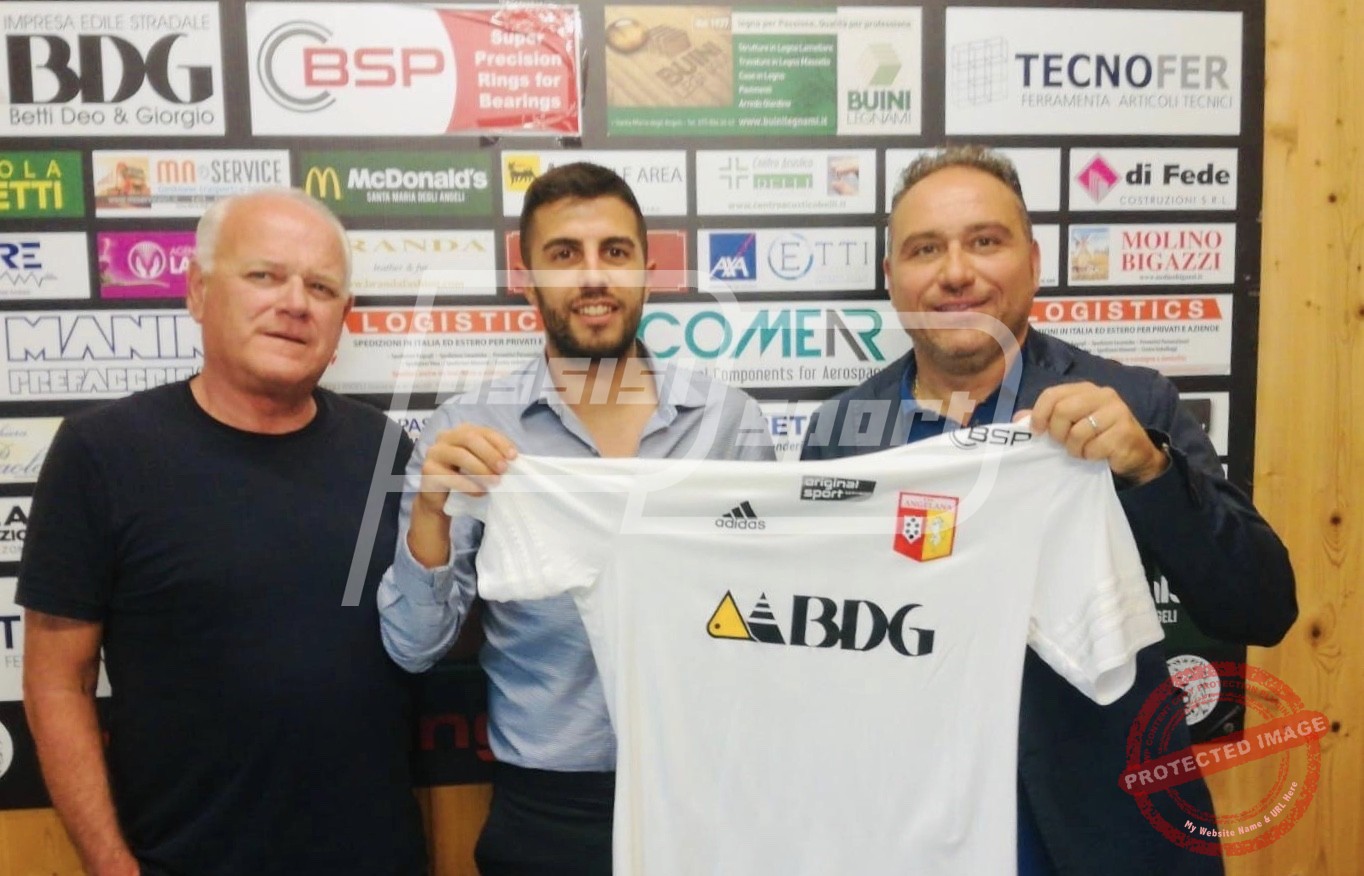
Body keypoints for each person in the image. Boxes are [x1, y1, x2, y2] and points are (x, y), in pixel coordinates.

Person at [801, 145, 1297, 875]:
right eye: (925, 249)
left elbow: (1262, 606)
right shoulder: (841, 435)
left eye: (985, 241)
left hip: (1103, 837)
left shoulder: (1134, 404)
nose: (955, 272)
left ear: (1034, 263)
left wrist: (1150, 468)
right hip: (910, 831)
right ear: (892, 277)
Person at [378, 162, 774, 875]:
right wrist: (432, 511)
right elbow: (412, 647)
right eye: (564, 254)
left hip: (709, 791)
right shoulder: (469, 431)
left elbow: (776, 621)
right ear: (526, 277)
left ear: (647, 270)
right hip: (548, 809)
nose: (593, 277)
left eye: (614, 252)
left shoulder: (728, 423)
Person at [18, 189, 426, 876]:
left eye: (321, 287)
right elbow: (58, 681)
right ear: (198, 292)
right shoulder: (103, 453)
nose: (295, 303)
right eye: (264, 275)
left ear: (343, 315)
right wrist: (110, 864)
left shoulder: (382, 448)